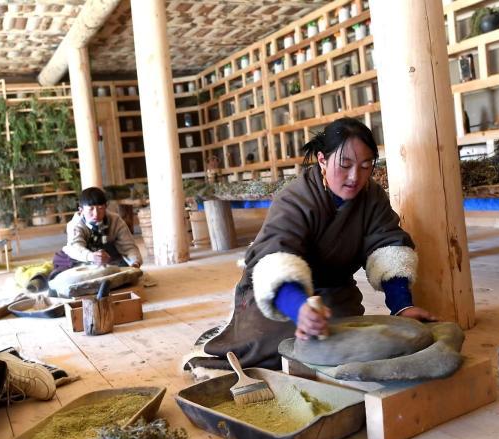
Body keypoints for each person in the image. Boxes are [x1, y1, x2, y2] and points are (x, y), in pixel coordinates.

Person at [185, 117, 437, 371]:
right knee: (274, 347)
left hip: (334, 293)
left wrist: (402, 305)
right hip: (279, 294)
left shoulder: (372, 197)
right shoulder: (295, 198)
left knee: (346, 342)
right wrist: (298, 308)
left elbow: (387, 248)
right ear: (322, 160)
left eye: (365, 166)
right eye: (345, 164)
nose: (355, 176)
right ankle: (225, 337)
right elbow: (274, 259)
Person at [50, 187, 142, 279]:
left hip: (108, 253)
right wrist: (91, 256)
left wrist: (135, 262)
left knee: (122, 271)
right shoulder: (75, 224)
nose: (96, 214)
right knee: (67, 275)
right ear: (81, 210)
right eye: (91, 209)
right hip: (83, 256)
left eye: (100, 208)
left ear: (105, 207)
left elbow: (128, 246)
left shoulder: (116, 220)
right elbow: (76, 247)